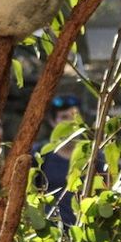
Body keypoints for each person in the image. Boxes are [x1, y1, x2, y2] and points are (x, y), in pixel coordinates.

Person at [33, 94, 82, 226]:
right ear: (53, 121)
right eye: (64, 117)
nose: (71, 122)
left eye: (75, 116)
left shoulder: (93, 156)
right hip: (49, 233)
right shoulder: (40, 154)